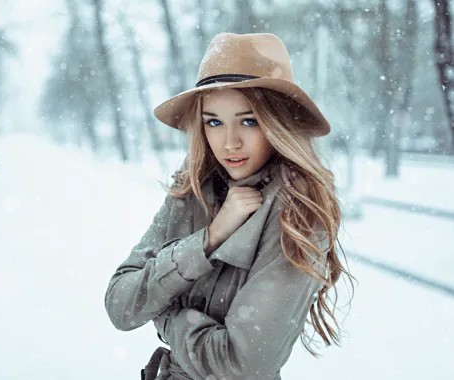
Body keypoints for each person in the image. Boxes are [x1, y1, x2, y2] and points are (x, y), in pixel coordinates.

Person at [104, 33, 354, 380]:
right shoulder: (190, 191)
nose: (230, 141)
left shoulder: (298, 213)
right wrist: (208, 240)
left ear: (277, 122)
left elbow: (243, 365)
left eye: (249, 120)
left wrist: (165, 314)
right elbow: (119, 306)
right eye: (214, 122)